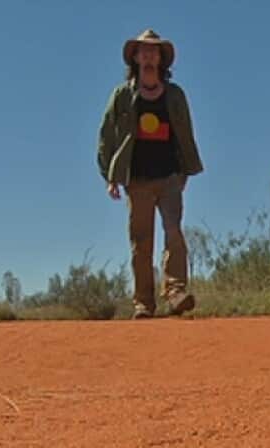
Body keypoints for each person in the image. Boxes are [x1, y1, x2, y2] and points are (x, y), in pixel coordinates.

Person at [97, 29, 204, 319]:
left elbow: (186, 133)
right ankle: (144, 303)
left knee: (174, 233)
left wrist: (186, 171)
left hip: (169, 177)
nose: (148, 56)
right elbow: (107, 136)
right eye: (143, 51)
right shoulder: (122, 96)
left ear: (161, 59)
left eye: (153, 51)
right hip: (137, 179)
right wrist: (110, 175)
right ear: (134, 57)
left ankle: (175, 292)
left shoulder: (174, 95)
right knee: (141, 241)